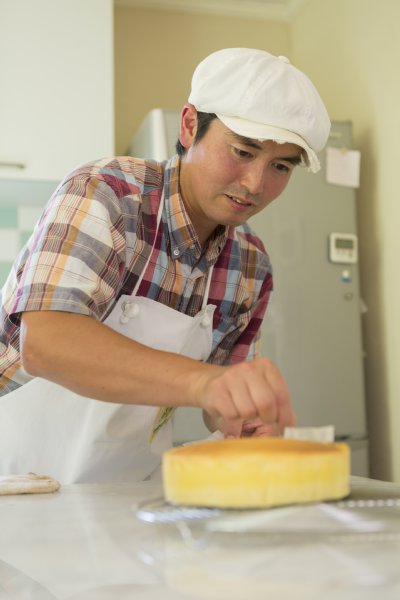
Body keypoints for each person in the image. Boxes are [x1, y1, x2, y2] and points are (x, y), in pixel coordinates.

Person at [0, 48, 330, 483]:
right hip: (16, 478)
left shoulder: (251, 265)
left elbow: (222, 397)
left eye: (281, 166)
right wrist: (205, 384)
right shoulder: (106, 194)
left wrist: (242, 417)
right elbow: (47, 343)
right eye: (242, 151)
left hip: (126, 489)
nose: (256, 184)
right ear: (191, 125)